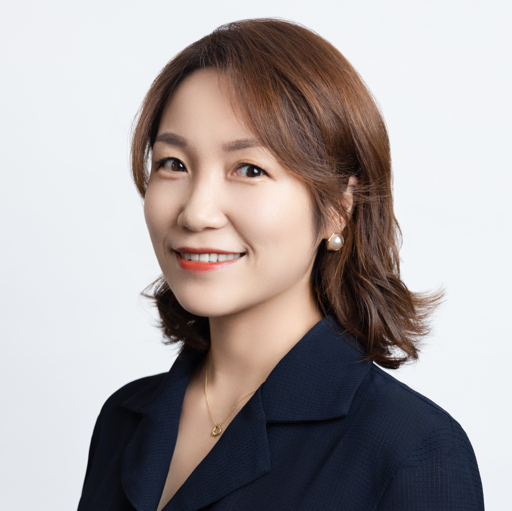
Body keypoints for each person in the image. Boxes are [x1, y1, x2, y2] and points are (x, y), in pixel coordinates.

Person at [77, 18, 484, 511]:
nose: (196, 212)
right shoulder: (124, 420)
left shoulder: (411, 451)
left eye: (249, 169)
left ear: (337, 207)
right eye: (173, 164)